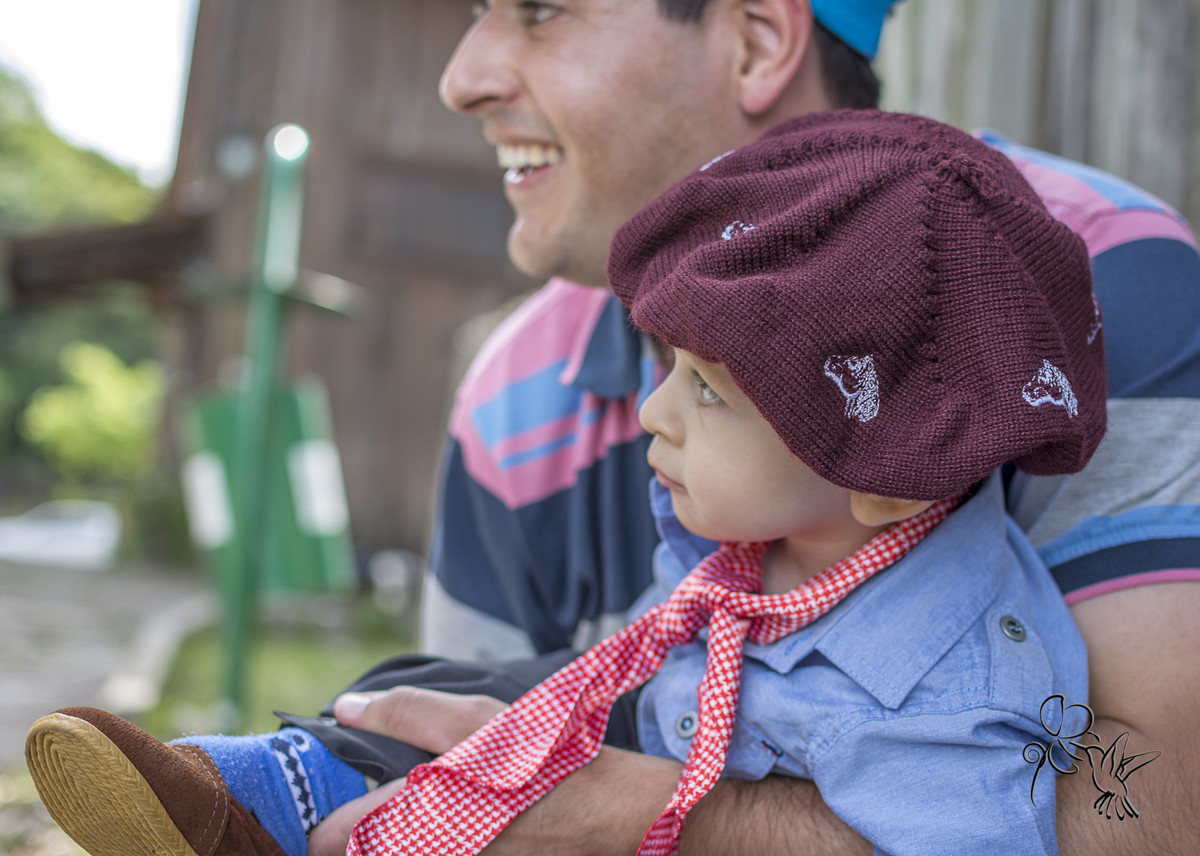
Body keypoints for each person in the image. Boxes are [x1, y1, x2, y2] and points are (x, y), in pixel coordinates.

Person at [27, 110, 1106, 856]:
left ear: (885, 470)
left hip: (688, 769)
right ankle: (254, 791)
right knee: (446, 686)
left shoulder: (953, 689)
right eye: (667, 369)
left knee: (500, 734)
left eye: (712, 393)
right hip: (667, 713)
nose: (653, 412)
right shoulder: (778, 531)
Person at [343, 1, 1200, 855]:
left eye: (540, 12)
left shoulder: (1095, 285)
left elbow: (1161, 810)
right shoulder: (513, 397)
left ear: (756, 41)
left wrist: (655, 820)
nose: (461, 79)